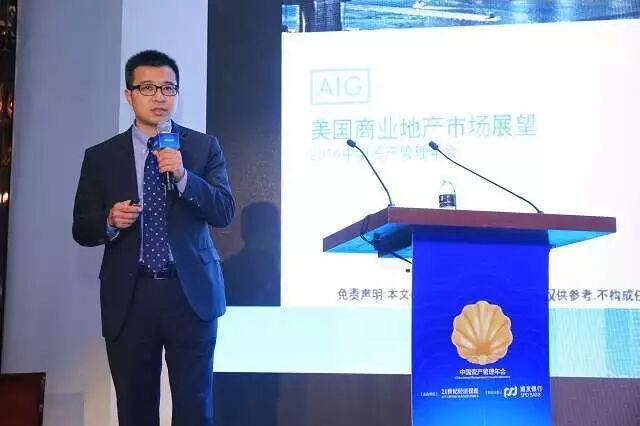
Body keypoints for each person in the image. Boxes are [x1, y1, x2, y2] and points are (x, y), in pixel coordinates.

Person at [72, 49, 234, 426]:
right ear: (129, 95)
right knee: (135, 410)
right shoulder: (101, 157)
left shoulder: (202, 147)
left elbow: (224, 211)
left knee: (195, 409)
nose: (159, 97)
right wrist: (109, 220)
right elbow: (81, 227)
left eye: (168, 88)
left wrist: (183, 177)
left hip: (190, 295)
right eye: (148, 88)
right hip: (131, 297)